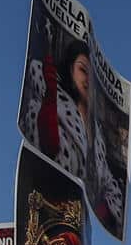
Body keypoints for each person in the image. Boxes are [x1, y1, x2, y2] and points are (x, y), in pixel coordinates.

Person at [21, 37, 92, 179]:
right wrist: (50, 97)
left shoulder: (99, 138)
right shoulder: (49, 99)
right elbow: (49, 147)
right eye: (83, 70)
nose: (88, 80)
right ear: (70, 69)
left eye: (92, 76)